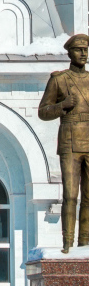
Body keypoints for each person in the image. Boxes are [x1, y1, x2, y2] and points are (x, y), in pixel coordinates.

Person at [39, 34, 89, 253]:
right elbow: (43, 111)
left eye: (86, 50)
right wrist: (62, 106)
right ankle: (67, 243)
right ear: (69, 53)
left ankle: (85, 242)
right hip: (70, 142)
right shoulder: (59, 80)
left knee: (88, 197)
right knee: (70, 195)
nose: (83, 53)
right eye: (78, 49)